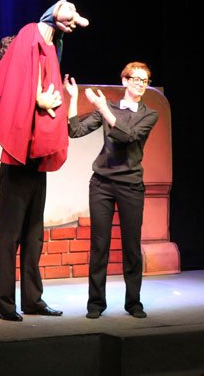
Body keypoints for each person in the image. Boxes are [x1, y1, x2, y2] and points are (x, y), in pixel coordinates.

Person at [0, 0, 89, 322]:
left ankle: (32, 299)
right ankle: (4, 303)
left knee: (33, 234)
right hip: (15, 165)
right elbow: (37, 32)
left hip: (36, 163)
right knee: (9, 235)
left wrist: (61, 28)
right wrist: (36, 100)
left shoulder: (36, 66)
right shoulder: (8, 77)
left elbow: (48, 50)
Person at [65, 62, 158, 319]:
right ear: (124, 81)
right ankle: (96, 303)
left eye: (145, 80)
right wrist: (73, 99)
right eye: (136, 79)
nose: (140, 84)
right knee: (100, 245)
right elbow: (75, 131)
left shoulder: (149, 114)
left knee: (131, 246)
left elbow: (128, 137)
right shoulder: (109, 108)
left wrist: (103, 108)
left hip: (131, 186)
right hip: (102, 184)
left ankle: (134, 303)